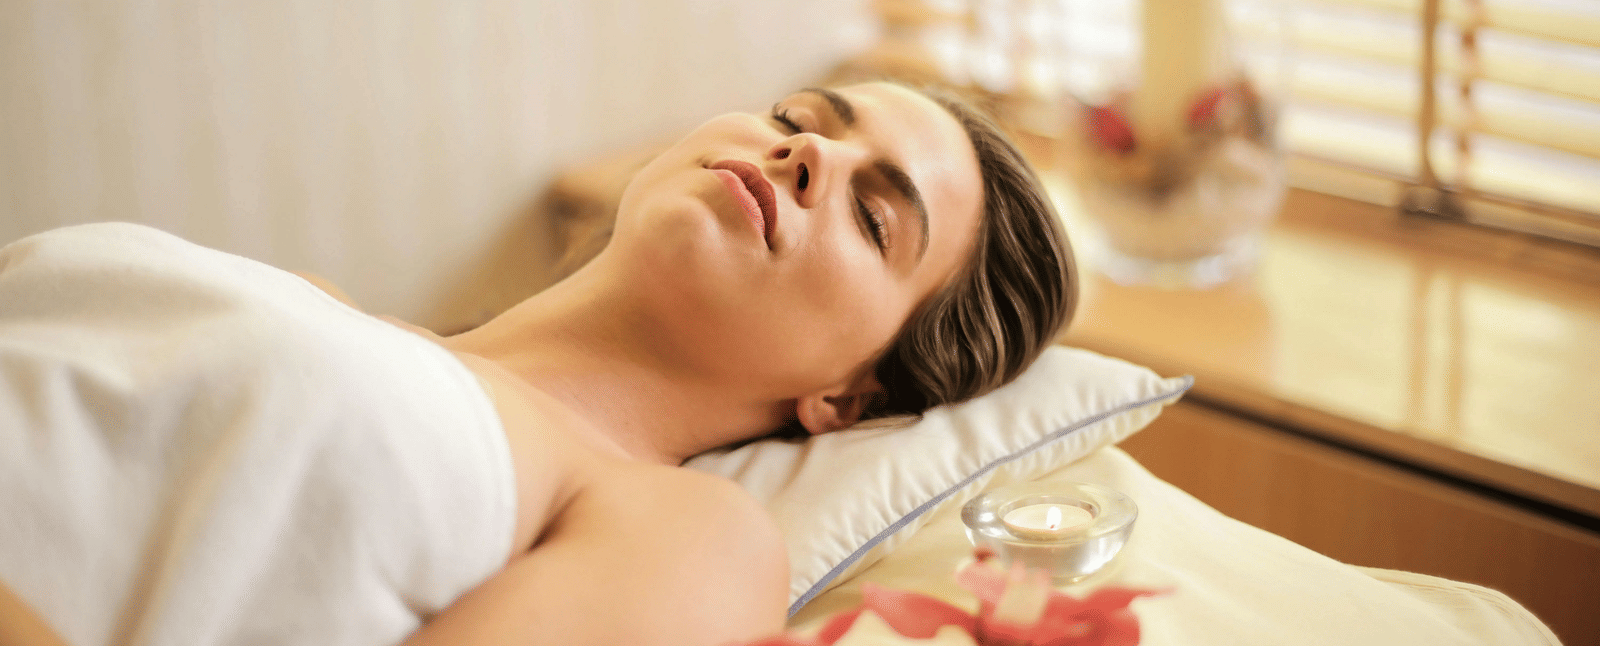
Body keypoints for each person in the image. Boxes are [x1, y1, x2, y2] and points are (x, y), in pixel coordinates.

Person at [0, 81, 1074, 646]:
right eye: (800, 117)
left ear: (849, 395)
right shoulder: (320, 306)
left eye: (875, 216)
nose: (810, 155)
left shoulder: (684, 533)